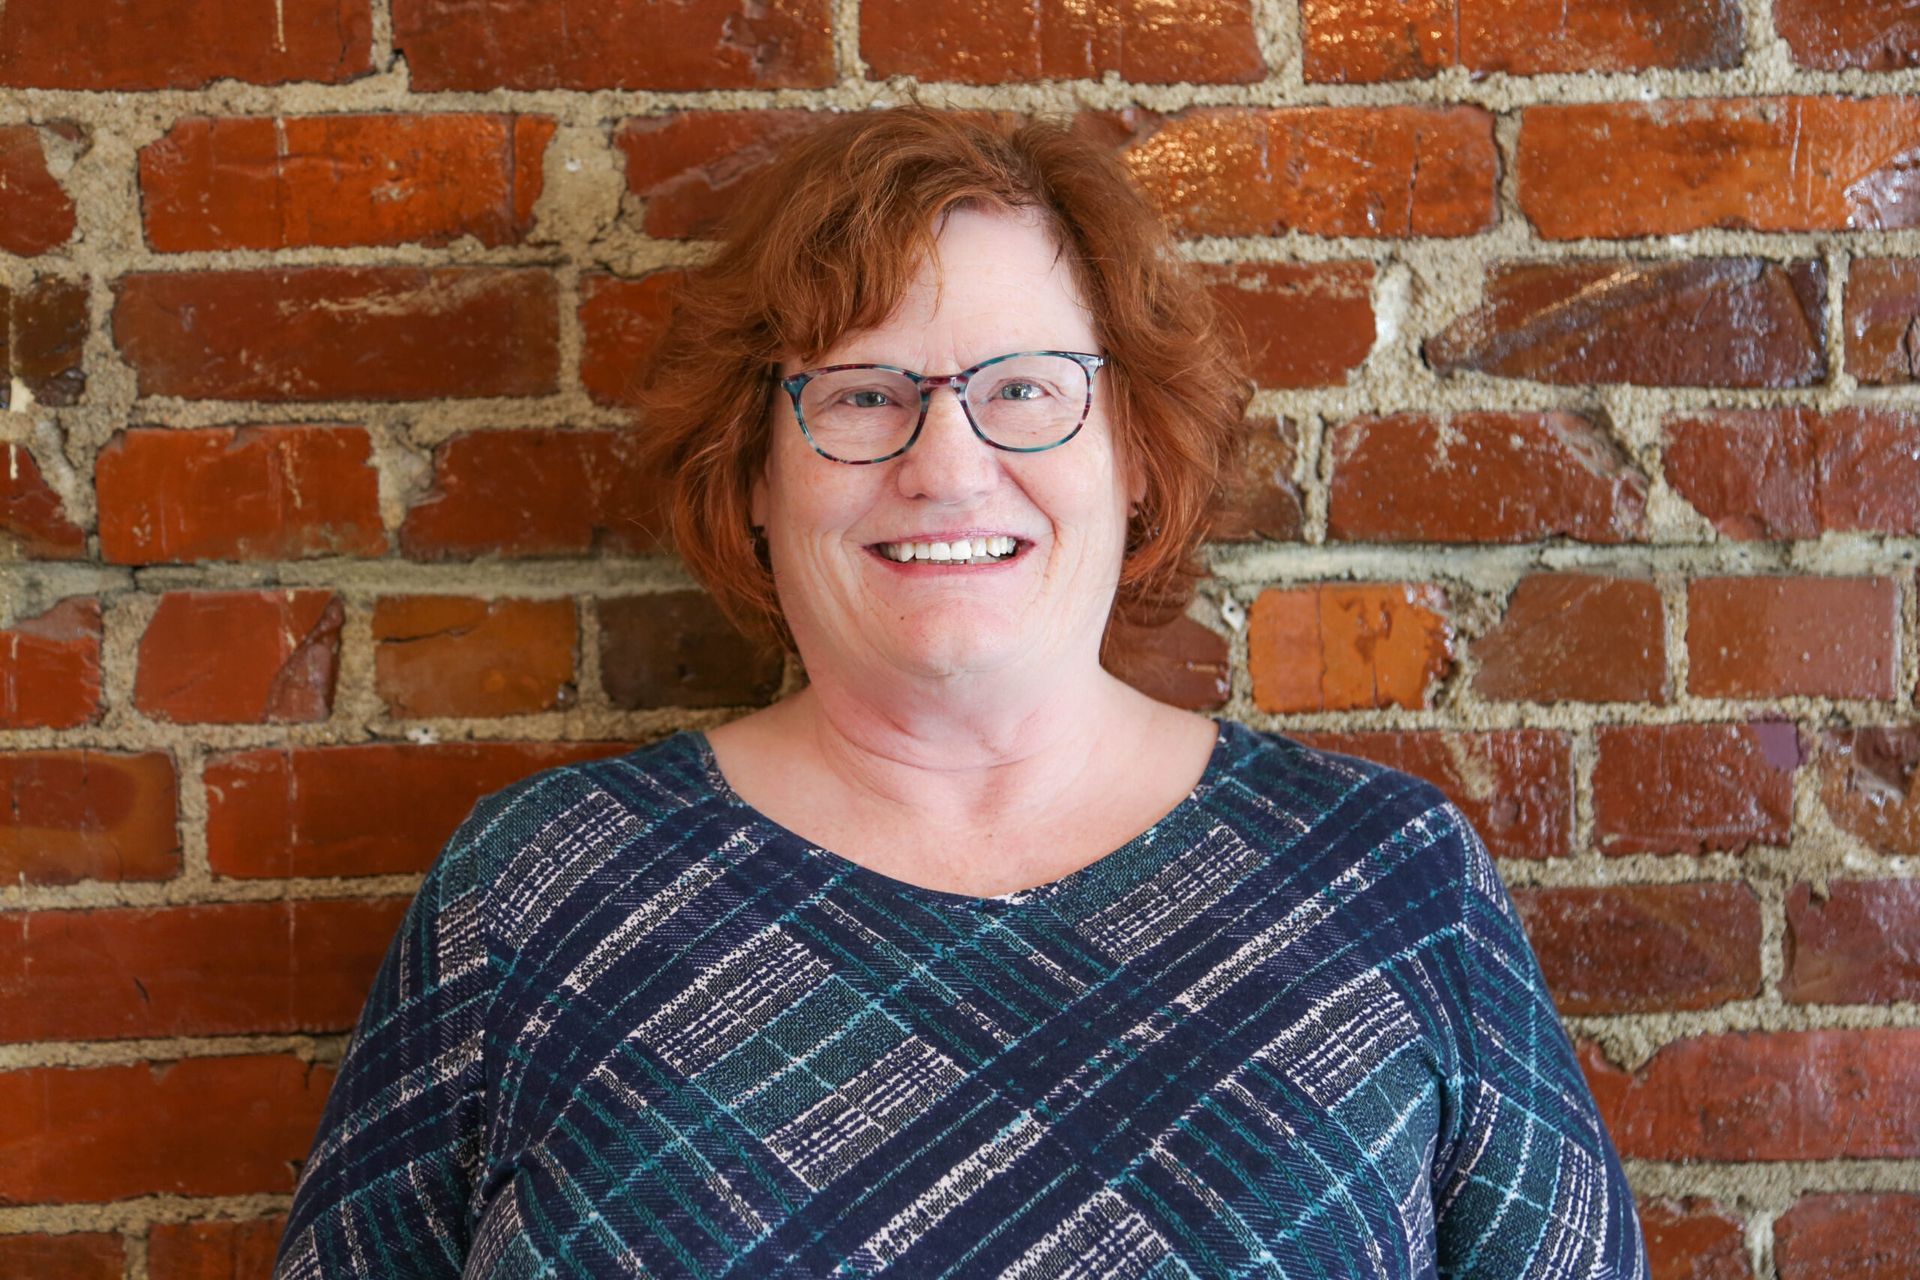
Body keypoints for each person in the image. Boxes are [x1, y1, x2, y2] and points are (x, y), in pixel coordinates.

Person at [275, 108, 1647, 1278]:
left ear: (1139, 457)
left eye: (1026, 389)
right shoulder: (539, 899)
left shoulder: (1387, 888)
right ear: (756, 473)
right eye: (865, 396)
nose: (948, 462)